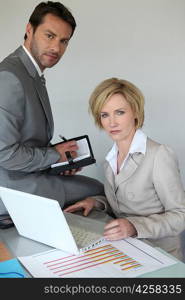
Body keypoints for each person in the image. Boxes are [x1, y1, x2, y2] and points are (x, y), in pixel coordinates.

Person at [64, 77, 185, 260]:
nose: (111, 122)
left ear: (135, 112)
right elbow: (123, 201)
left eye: (119, 112)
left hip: (159, 255)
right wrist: (95, 202)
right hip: (125, 250)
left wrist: (134, 226)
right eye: (105, 115)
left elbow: (180, 215)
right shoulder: (111, 158)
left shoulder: (159, 155)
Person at [0, 1, 104, 209]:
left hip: (26, 175)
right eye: (50, 36)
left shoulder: (30, 73)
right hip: (12, 188)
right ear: (29, 30)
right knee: (100, 190)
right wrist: (54, 155)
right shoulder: (10, 77)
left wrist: (58, 161)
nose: (56, 47)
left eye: (64, 41)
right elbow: (4, 154)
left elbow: (26, 141)